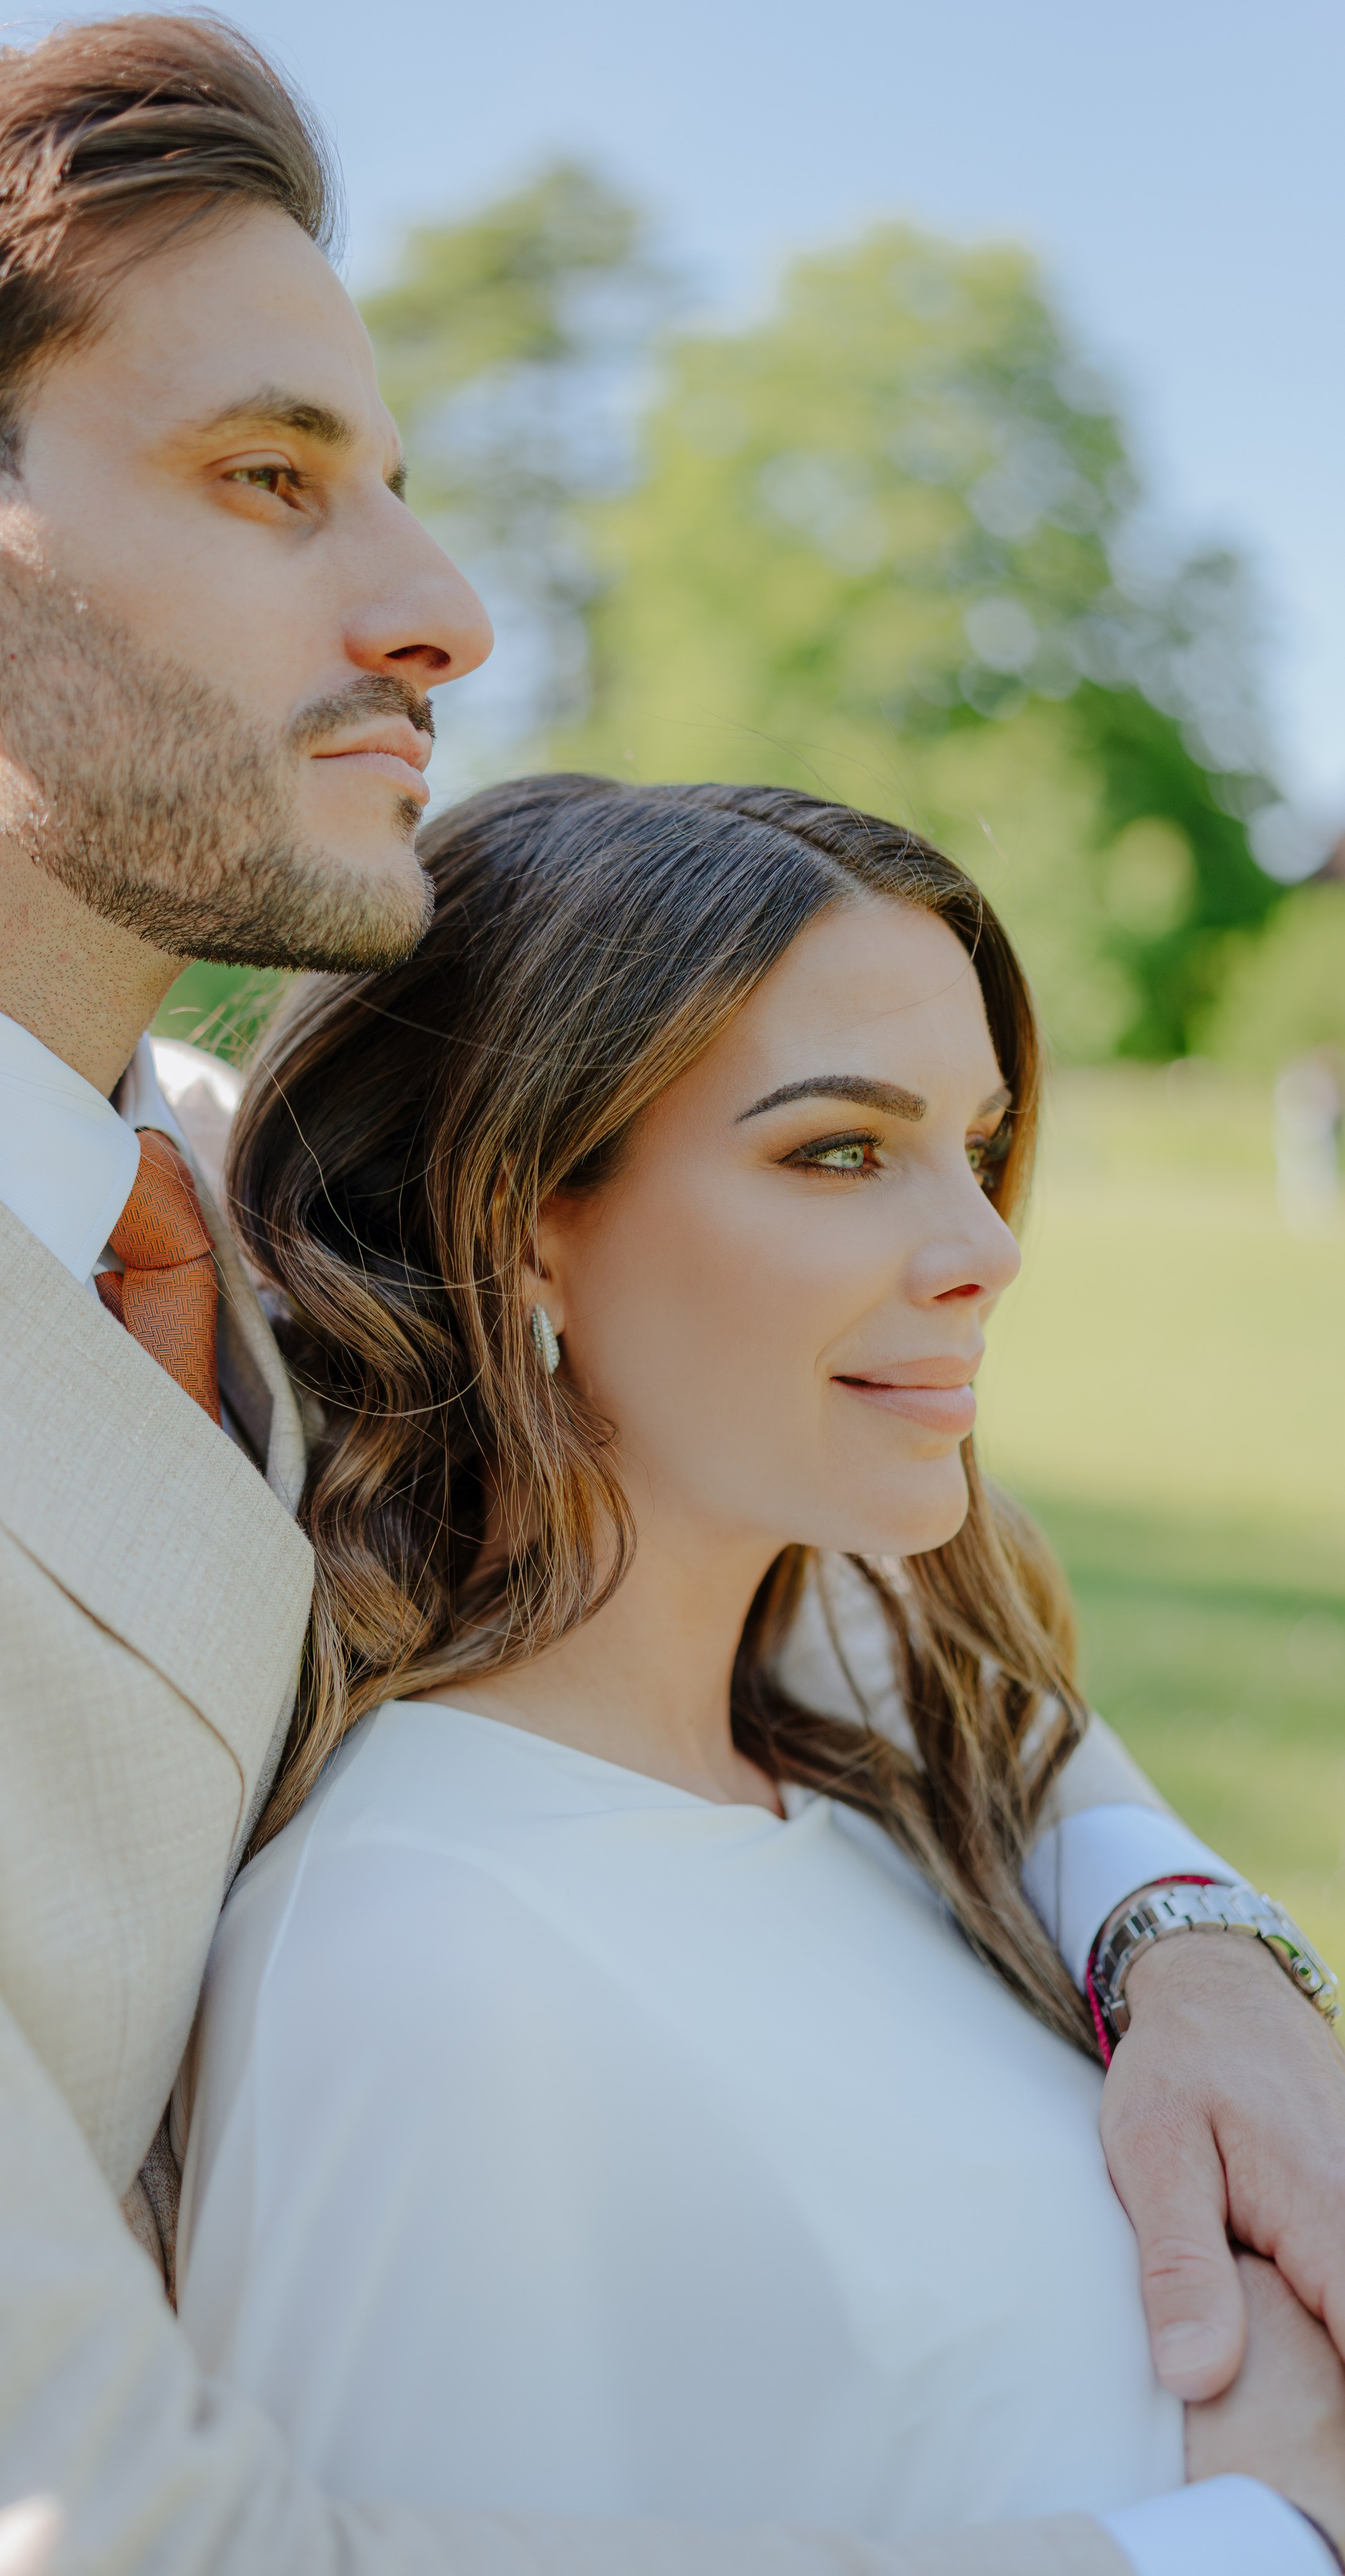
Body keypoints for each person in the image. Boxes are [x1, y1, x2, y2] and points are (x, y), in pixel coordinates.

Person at [0, 12, 1341, 2571]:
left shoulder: (243, 1212)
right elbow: (36, 2533)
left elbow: (827, 1594)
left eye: (394, 488)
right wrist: (1226, 2549)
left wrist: (1186, 1941)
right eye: (270, 481)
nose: (441, 612)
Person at [186, 775, 1345, 2572]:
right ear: (523, 1225)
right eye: (839, 1151)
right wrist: (1271, 2542)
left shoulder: (886, 1761)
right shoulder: (419, 1960)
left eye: (978, 1140)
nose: (984, 1249)